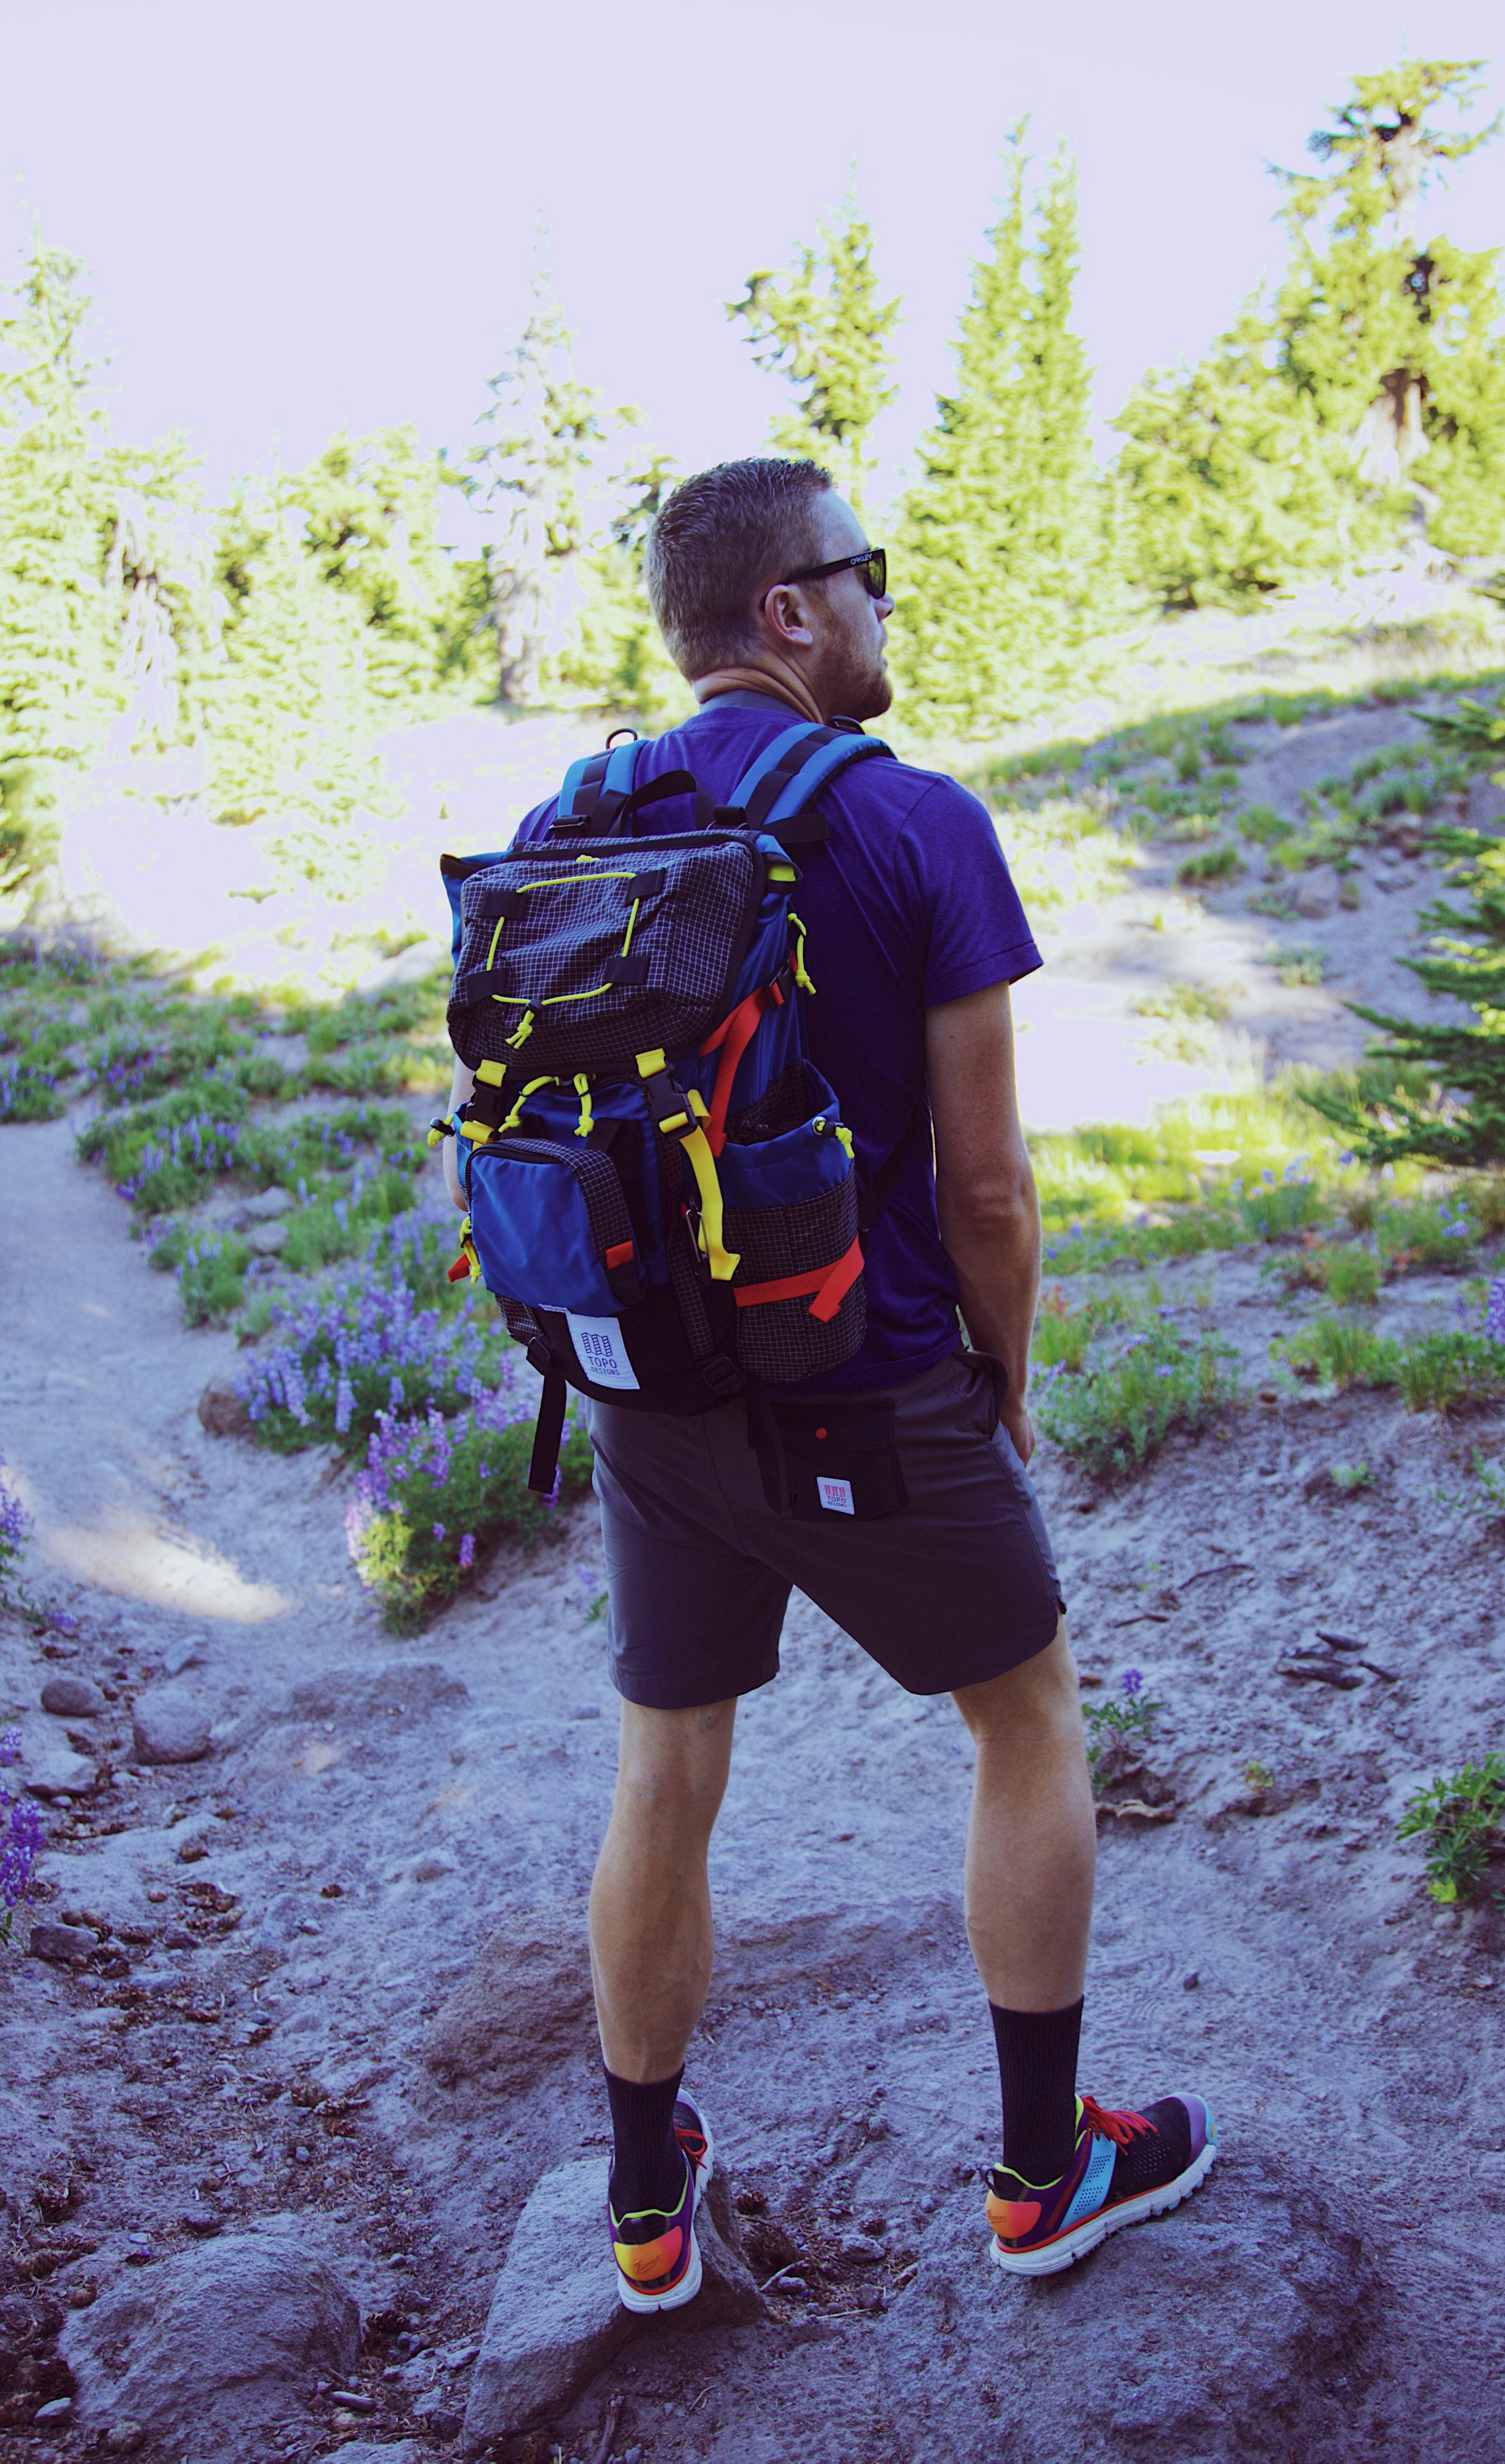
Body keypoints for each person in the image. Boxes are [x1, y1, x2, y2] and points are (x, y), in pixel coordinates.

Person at [443, 457, 1213, 2309]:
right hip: (866, 1380)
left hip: (648, 1388)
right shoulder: (918, 822)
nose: (884, 603)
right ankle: (1043, 2172)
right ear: (787, 611)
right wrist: (1005, 1377)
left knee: (665, 1770)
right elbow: (988, 1190)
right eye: (865, 571)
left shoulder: (569, 816)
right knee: (1026, 1722)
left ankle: (646, 2203)